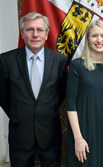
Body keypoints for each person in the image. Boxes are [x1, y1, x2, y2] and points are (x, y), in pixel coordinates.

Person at [0, 12, 67, 167]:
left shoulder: (60, 61)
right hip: (20, 134)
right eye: (30, 30)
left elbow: (61, 93)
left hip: (50, 134)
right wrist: (20, 113)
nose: (35, 34)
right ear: (22, 33)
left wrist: (45, 110)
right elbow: (3, 96)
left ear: (46, 33)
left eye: (40, 30)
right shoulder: (6, 60)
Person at [65, 20, 103, 167]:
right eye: (94, 36)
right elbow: (70, 105)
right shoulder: (77, 65)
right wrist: (78, 138)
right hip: (83, 130)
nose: (99, 40)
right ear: (88, 40)